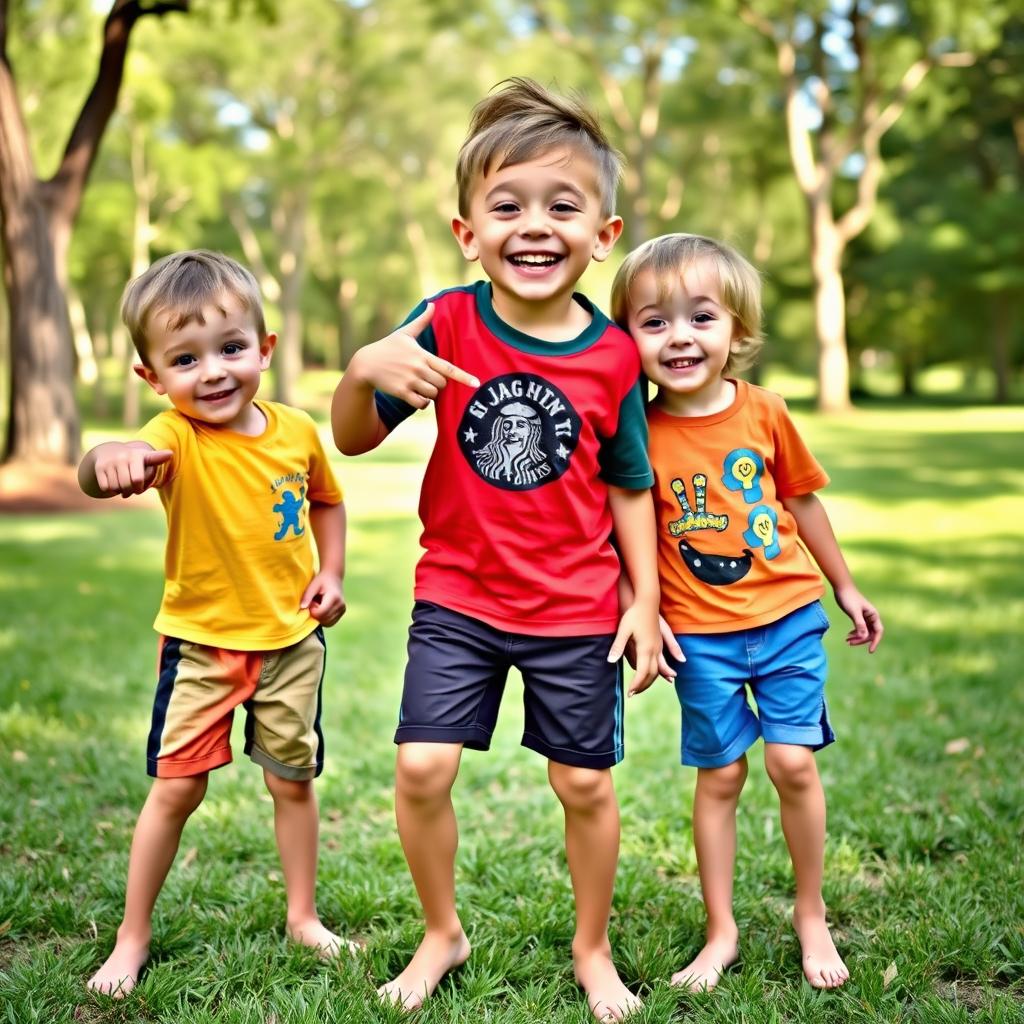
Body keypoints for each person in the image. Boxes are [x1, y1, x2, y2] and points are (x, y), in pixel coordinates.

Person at [331, 78, 660, 1020]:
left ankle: (591, 948)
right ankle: (443, 932)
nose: (534, 225)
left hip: (576, 606)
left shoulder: (612, 358)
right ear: (467, 231)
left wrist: (644, 600)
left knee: (584, 781)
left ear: (603, 235)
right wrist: (363, 370)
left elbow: (628, 483)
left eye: (563, 205)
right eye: (507, 206)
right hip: (460, 598)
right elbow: (353, 438)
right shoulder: (447, 322)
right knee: (422, 768)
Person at [610, 233, 883, 992]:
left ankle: (810, 911)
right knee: (722, 775)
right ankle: (721, 930)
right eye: (653, 321)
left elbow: (802, 500)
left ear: (736, 329)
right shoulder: (638, 433)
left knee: (792, 762)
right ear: (626, 335)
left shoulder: (766, 412)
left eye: (701, 317)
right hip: (701, 634)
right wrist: (641, 607)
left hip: (789, 616)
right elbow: (623, 533)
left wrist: (846, 586)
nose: (680, 337)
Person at [78, 250, 351, 997]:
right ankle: (132, 937)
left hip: (293, 642)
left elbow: (327, 501)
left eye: (231, 348)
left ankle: (303, 917)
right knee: (176, 790)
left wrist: (331, 573)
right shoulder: (174, 436)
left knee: (291, 781)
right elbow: (109, 457)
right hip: (202, 647)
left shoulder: (295, 431)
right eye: (185, 359)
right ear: (153, 378)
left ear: (264, 348)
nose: (214, 372)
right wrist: (111, 458)